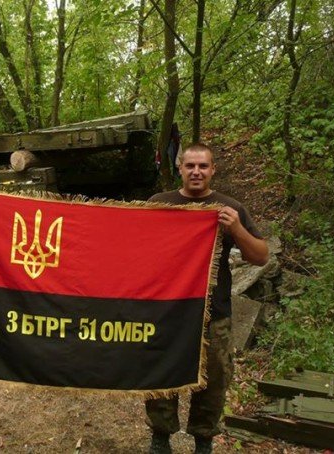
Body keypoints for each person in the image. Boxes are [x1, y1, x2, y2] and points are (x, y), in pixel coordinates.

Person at [146, 143, 269, 454]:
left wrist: (237, 229)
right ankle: (160, 438)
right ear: (180, 168)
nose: (196, 172)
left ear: (213, 169)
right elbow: (136, 247)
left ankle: (203, 441)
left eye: (203, 166)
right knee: (161, 375)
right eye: (190, 166)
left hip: (213, 312)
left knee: (213, 380)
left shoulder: (229, 208)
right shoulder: (159, 204)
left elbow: (260, 257)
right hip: (166, 312)